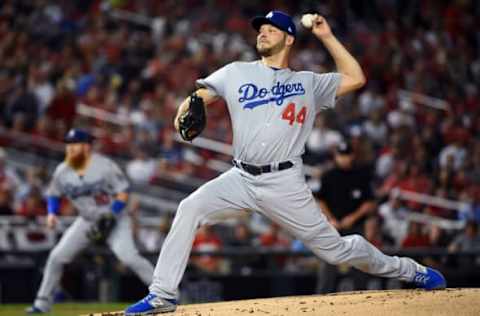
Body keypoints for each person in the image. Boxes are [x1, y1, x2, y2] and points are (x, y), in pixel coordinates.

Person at [125, 11, 446, 315]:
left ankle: (410, 271)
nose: (262, 32)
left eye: (271, 29)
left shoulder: (309, 83)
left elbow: (356, 77)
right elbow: (197, 99)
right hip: (240, 178)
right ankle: (162, 295)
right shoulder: (236, 71)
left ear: (289, 39)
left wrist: (327, 35)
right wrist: (182, 114)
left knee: (336, 251)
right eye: (260, 29)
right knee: (189, 208)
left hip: (284, 183)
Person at [27, 128, 155, 314]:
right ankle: (42, 303)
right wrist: (52, 213)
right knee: (56, 257)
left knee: (129, 257)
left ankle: (163, 292)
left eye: (75, 144)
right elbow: (53, 194)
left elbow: (123, 191)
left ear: (87, 147)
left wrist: (112, 213)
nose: (70, 148)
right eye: (68, 144)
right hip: (86, 221)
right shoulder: (62, 171)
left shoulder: (104, 166)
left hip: (115, 220)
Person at [316, 141, 376, 235]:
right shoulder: (328, 176)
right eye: (341, 155)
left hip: (356, 225)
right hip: (332, 225)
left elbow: (369, 203)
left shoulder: (362, 175)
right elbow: (320, 201)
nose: (343, 159)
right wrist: (331, 219)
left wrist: (352, 218)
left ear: (352, 156)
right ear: (335, 156)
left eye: (346, 155)